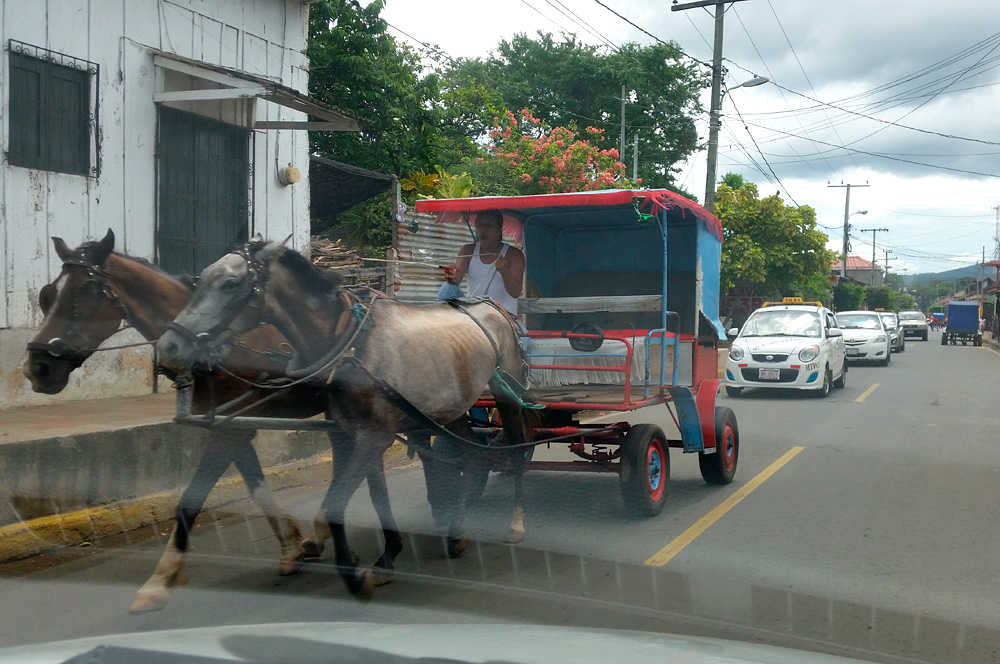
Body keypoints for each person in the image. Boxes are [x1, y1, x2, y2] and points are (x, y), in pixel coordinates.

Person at [439, 210, 525, 316]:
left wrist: (505, 272)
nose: (483, 229)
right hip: (474, 314)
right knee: (447, 288)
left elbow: (515, 293)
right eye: (479, 224)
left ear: (499, 230)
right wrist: (451, 276)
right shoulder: (467, 251)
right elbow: (455, 281)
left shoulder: (514, 254)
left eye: (489, 225)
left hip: (503, 316)